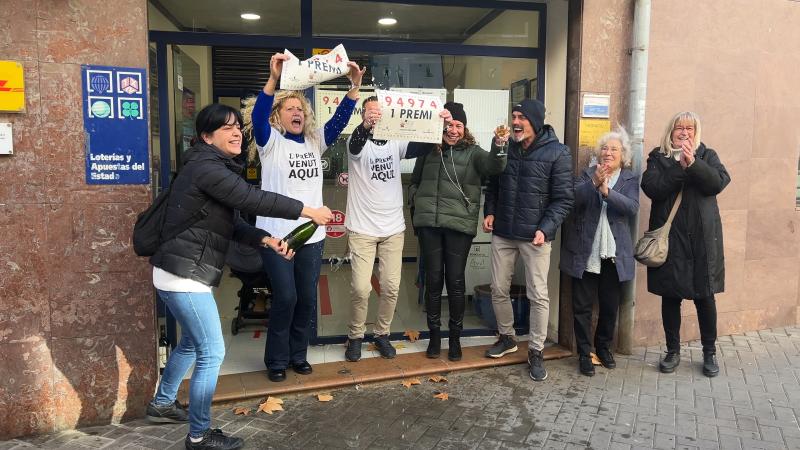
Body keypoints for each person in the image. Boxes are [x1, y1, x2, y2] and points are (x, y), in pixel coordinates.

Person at [146, 103, 332, 450]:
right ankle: (199, 435)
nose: (236, 133)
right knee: (212, 352)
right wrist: (307, 211)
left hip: (182, 271)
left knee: (192, 343)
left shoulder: (211, 167)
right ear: (206, 137)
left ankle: (162, 402)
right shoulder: (206, 168)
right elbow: (252, 199)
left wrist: (267, 240)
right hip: (184, 274)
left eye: (236, 126)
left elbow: (234, 224)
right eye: (226, 128)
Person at [245, 52, 364, 382]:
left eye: (300, 109)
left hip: (312, 236)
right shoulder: (270, 142)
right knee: (286, 297)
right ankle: (276, 360)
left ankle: (298, 356)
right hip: (277, 236)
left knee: (307, 300)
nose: (296, 112)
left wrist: (354, 87)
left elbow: (339, 121)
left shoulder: (314, 141)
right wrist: (273, 79)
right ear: (278, 115)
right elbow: (257, 116)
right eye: (289, 109)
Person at [343, 96, 451, 362]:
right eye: (370, 113)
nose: (375, 117)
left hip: (393, 228)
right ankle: (355, 336)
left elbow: (423, 143)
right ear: (363, 116)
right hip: (362, 228)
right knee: (360, 288)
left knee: (391, 287)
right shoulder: (356, 142)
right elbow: (356, 143)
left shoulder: (395, 141)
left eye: (379, 113)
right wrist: (365, 127)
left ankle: (382, 334)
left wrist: (440, 123)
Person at [483, 98, 574, 382]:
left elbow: (563, 199)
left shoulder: (558, 152)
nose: (515, 122)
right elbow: (493, 184)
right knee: (498, 288)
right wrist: (490, 212)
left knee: (538, 295)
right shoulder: (505, 146)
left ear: (534, 121)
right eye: (514, 116)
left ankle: (536, 350)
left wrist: (545, 228)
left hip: (536, 237)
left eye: (521, 117)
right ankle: (507, 337)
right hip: (504, 232)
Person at [409, 102, 507, 361]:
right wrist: (416, 204)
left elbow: (495, 167)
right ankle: (434, 337)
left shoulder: (473, 152)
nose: (453, 130)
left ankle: (455, 339)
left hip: (459, 227)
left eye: (458, 125)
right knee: (432, 281)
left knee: (454, 282)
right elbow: (415, 181)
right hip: (430, 225)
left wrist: (499, 145)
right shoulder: (427, 149)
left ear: (465, 128)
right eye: (449, 125)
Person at [641, 111, 730, 377]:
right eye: (679, 127)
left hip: (702, 241)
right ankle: (672, 351)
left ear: (696, 132)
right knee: (671, 296)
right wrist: (679, 167)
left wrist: (693, 164)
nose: (684, 132)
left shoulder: (707, 155)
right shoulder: (658, 157)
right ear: (671, 131)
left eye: (690, 128)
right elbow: (652, 188)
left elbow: (718, 182)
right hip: (671, 242)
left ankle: (709, 353)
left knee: (705, 297)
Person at [559, 127, 639, 376]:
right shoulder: (586, 174)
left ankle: (603, 348)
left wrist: (607, 193)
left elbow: (632, 207)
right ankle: (584, 353)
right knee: (582, 306)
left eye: (614, 149)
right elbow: (573, 200)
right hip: (586, 251)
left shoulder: (629, 179)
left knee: (609, 305)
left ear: (623, 155)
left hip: (613, 254)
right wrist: (594, 183)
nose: (608, 153)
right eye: (604, 148)